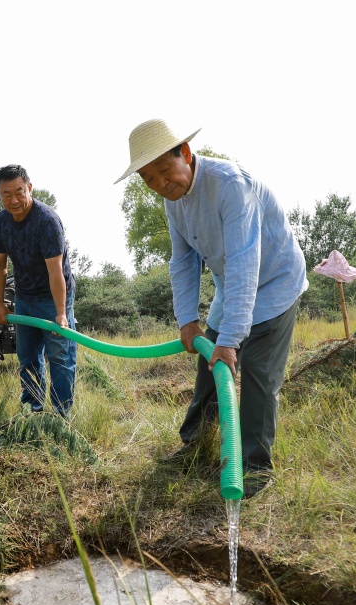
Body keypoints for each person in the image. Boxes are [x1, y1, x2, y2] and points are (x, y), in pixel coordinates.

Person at [116, 119, 307, 496]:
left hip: (275, 280)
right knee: (210, 365)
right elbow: (182, 261)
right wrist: (187, 321)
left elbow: (243, 259)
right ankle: (195, 445)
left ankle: (254, 467)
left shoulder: (230, 185)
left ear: (185, 153)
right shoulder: (174, 202)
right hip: (231, 285)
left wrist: (231, 340)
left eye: (164, 170)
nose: (160, 183)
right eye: (149, 179)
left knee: (256, 371)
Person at [0, 164, 77, 418]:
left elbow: (55, 271)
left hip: (53, 296)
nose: (14, 200)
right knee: (27, 357)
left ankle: (61, 417)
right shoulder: (1, 222)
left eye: (19, 192)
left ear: (29, 188)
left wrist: (61, 313)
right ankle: (32, 412)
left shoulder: (46, 221)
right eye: (6, 194)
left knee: (60, 356)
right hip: (25, 297)